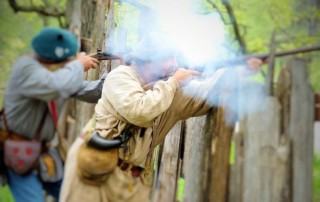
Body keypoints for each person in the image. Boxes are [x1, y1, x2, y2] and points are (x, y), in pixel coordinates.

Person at [60, 33, 262, 202]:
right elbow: (140, 110)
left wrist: (238, 71)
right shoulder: (120, 76)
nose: (175, 64)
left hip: (131, 179)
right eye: (169, 58)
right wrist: (174, 82)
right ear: (150, 61)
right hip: (93, 169)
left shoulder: (166, 88)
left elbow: (206, 94)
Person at [0, 27, 105, 202]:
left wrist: (122, 76)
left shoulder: (58, 74)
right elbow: (59, 85)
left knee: (75, 197)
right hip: (18, 153)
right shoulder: (26, 68)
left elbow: (92, 91)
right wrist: (77, 65)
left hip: (44, 154)